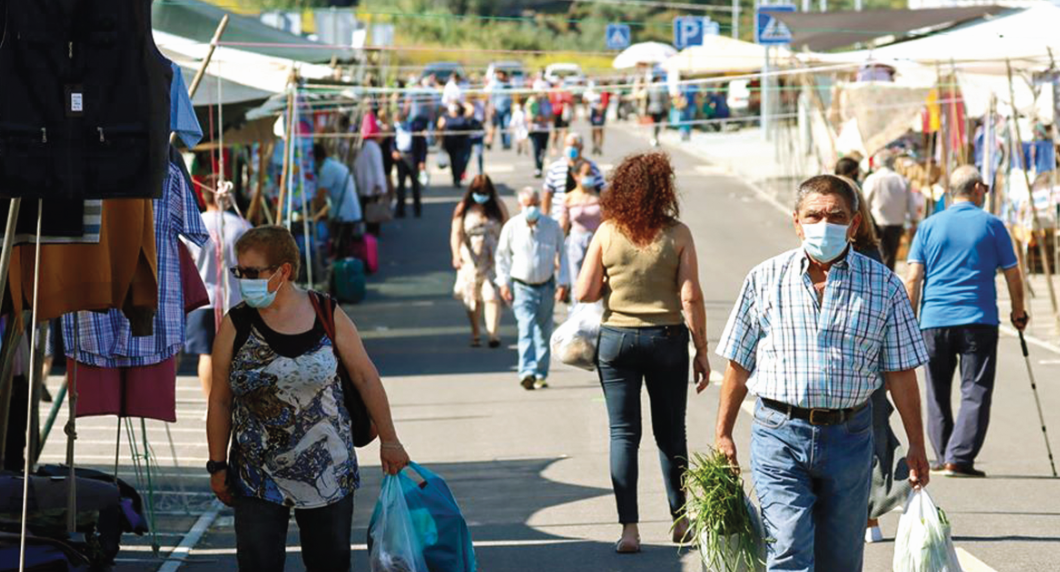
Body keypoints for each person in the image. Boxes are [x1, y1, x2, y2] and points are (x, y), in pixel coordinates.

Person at [715, 175, 932, 571]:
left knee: (841, 558)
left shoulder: (884, 287)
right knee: (789, 546)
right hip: (778, 434)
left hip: (849, 439)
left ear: (854, 224)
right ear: (796, 222)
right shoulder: (765, 279)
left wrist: (916, 445)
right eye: (814, 216)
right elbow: (738, 363)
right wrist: (723, 433)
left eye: (836, 216)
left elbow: (901, 373)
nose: (824, 224)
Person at [207, 225, 410, 572]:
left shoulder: (326, 314)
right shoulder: (236, 323)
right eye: (239, 272)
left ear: (283, 271)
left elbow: (365, 377)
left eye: (252, 272)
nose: (244, 280)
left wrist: (390, 440)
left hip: (328, 473)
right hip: (256, 477)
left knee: (329, 564)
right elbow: (221, 400)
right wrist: (217, 465)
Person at [574, 152, 709, 554]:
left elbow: (584, 292)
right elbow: (690, 295)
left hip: (617, 340)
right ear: (664, 189)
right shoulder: (678, 233)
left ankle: (629, 530)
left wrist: (618, 281)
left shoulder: (607, 232)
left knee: (623, 434)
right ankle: (681, 519)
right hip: (667, 340)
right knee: (671, 433)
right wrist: (701, 350)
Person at [904, 165, 1028, 478]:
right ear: (976, 189)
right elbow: (1013, 273)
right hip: (978, 318)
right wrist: (1018, 310)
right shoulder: (992, 225)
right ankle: (959, 458)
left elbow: (913, 277)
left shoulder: (929, 226)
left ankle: (942, 453)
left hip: (933, 319)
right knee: (976, 388)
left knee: (936, 388)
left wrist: (906, 318)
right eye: (984, 188)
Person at [838, 173, 914, 543]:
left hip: (858, 369)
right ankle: (876, 511)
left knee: (863, 440)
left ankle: (872, 512)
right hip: (867, 370)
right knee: (870, 438)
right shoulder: (873, 253)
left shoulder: (864, 257)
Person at [495, 188, 570, 390]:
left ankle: (540, 373)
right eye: (527, 205)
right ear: (521, 206)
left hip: (546, 286)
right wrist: (503, 283)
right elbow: (502, 257)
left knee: (544, 334)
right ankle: (526, 372)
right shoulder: (511, 227)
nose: (531, 208)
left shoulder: (551, 226)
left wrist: (563, 282)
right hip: (522, 287)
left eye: (534, 204)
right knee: (526, 329)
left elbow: (563, 255)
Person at [185, 177, 253, 399]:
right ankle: (232, 401)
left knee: (208, 354)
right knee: (235, 354)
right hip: (236, 298)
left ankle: (210, 403)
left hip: (203, 297)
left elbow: (185, 261)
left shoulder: (193, 224)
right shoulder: (242, 226)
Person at [452, 175, 510, 349]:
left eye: (484, 192)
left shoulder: (497, 206)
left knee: (492, 295)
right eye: (478, 192)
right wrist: (456, 254)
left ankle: (493, 334)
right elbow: (456, 232)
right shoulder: (463, 208)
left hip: (493, 258)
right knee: (473, 297)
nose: (481, 196)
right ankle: (475, 332)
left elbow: (507, 228)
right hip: (470, 259)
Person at [862, 150, 917, 270]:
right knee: (891, 256)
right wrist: (913, 220)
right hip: (897, 223)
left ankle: (882, 281)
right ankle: (887, 279)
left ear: (877, 163)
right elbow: (911, 203)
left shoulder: (873, 179)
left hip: (877, 223)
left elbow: (864, 202)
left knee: (880, 255)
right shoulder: (901, 179)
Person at [313, 144, 362, 258]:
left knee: (341, 247)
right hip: (347, 211)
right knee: (344, 246)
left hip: (344, 214)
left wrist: (313, 213)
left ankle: (342, 271)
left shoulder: (327, 169)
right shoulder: (333, 165)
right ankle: (344, 269)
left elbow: (320, 197)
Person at [559, 161, 602, 291]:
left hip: (596, 240)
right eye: (586, 174)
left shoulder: (600, 197)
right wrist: (558, 250)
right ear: (575, 176)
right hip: (576, 242)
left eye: (592, 174)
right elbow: (564, 224)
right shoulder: (568, 198)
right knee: (577, 281)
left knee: (596, 280)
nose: (590, 177)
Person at [543, 133, 604, 220]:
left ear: (581, 147)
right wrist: (544, 217)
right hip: (559, 217)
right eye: (568, 145)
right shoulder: (556, 167)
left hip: (585, 218)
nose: (571, 148)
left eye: (574, 145)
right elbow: (547, 193)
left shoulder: (591, 167)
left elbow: (603, 191)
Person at [354, 117, 389, 236]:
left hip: (363, 185)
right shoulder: (374, 147)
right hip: (374, 186)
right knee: (374, 212)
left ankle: (367, 236)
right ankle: (373, 235)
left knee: (366, 211)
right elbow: (378, 168)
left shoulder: (360, 147)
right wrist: (381, 186)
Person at [392, 113, 423, 218]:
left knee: (415, 185)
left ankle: (417, 210)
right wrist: (393, 151)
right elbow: (392, 143)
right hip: (401, 157)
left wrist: (422, 161)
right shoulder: (395, 128)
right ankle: (400, 210)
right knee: (401, 186)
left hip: (412, 157)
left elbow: (422, 145)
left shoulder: (414, 127)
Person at [438, 102, 474, 188]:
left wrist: (461, 102)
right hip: (450, 143)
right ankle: (456, 179)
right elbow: (439, 127)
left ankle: (459, 176)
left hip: (462, 143)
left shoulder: (462, 116)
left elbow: (471, 110)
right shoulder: (445, 117)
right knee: (454, 162)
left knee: (462, 161)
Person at [526, 91, 553, 178]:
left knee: (543, 150)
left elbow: (550, 116)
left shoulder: (546, 103)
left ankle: (540, 166)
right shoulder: (531, 102)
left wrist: (543, 118)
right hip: (535, 130)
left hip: (545, 130)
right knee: (537, 149)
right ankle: (538, 168)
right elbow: (528, 117)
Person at [487, 70, 514, 150]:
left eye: (500, 74)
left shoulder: (508, 84)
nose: (499, 76)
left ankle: (507, 143)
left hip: (507, 108)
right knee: (498, 127)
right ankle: (498, 142)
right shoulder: (495, 85)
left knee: (507, 126)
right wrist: (492, 108)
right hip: (497, 109)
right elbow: (492, 97)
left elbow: (512, 95)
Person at [548, 80, 573, 155]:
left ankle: (565, 148)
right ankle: (553, 147)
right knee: (556, 131)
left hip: (564, 113)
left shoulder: (566, 91)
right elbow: (551, 100)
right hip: (556, 112)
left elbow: (570, 101)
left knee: (565, 131)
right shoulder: (554, 90)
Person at [585, 80, 609, 155]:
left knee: (600, 130)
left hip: (601, 113)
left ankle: (600, 146)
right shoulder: (590, 93)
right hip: (593, 112)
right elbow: (586, 101)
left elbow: (605, 103)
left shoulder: (603, 92)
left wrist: (601, 108)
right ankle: (594, 145)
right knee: (594, 130)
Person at [646, 79, 669, 147]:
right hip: (659, 108)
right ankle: (655, 138)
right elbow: (665, 100)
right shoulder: (661, 90)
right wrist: (666, 109)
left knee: (653, 124)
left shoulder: (650, 90)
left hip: (651, 108)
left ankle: (653, 137)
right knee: (657, 124)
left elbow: (647, 100)